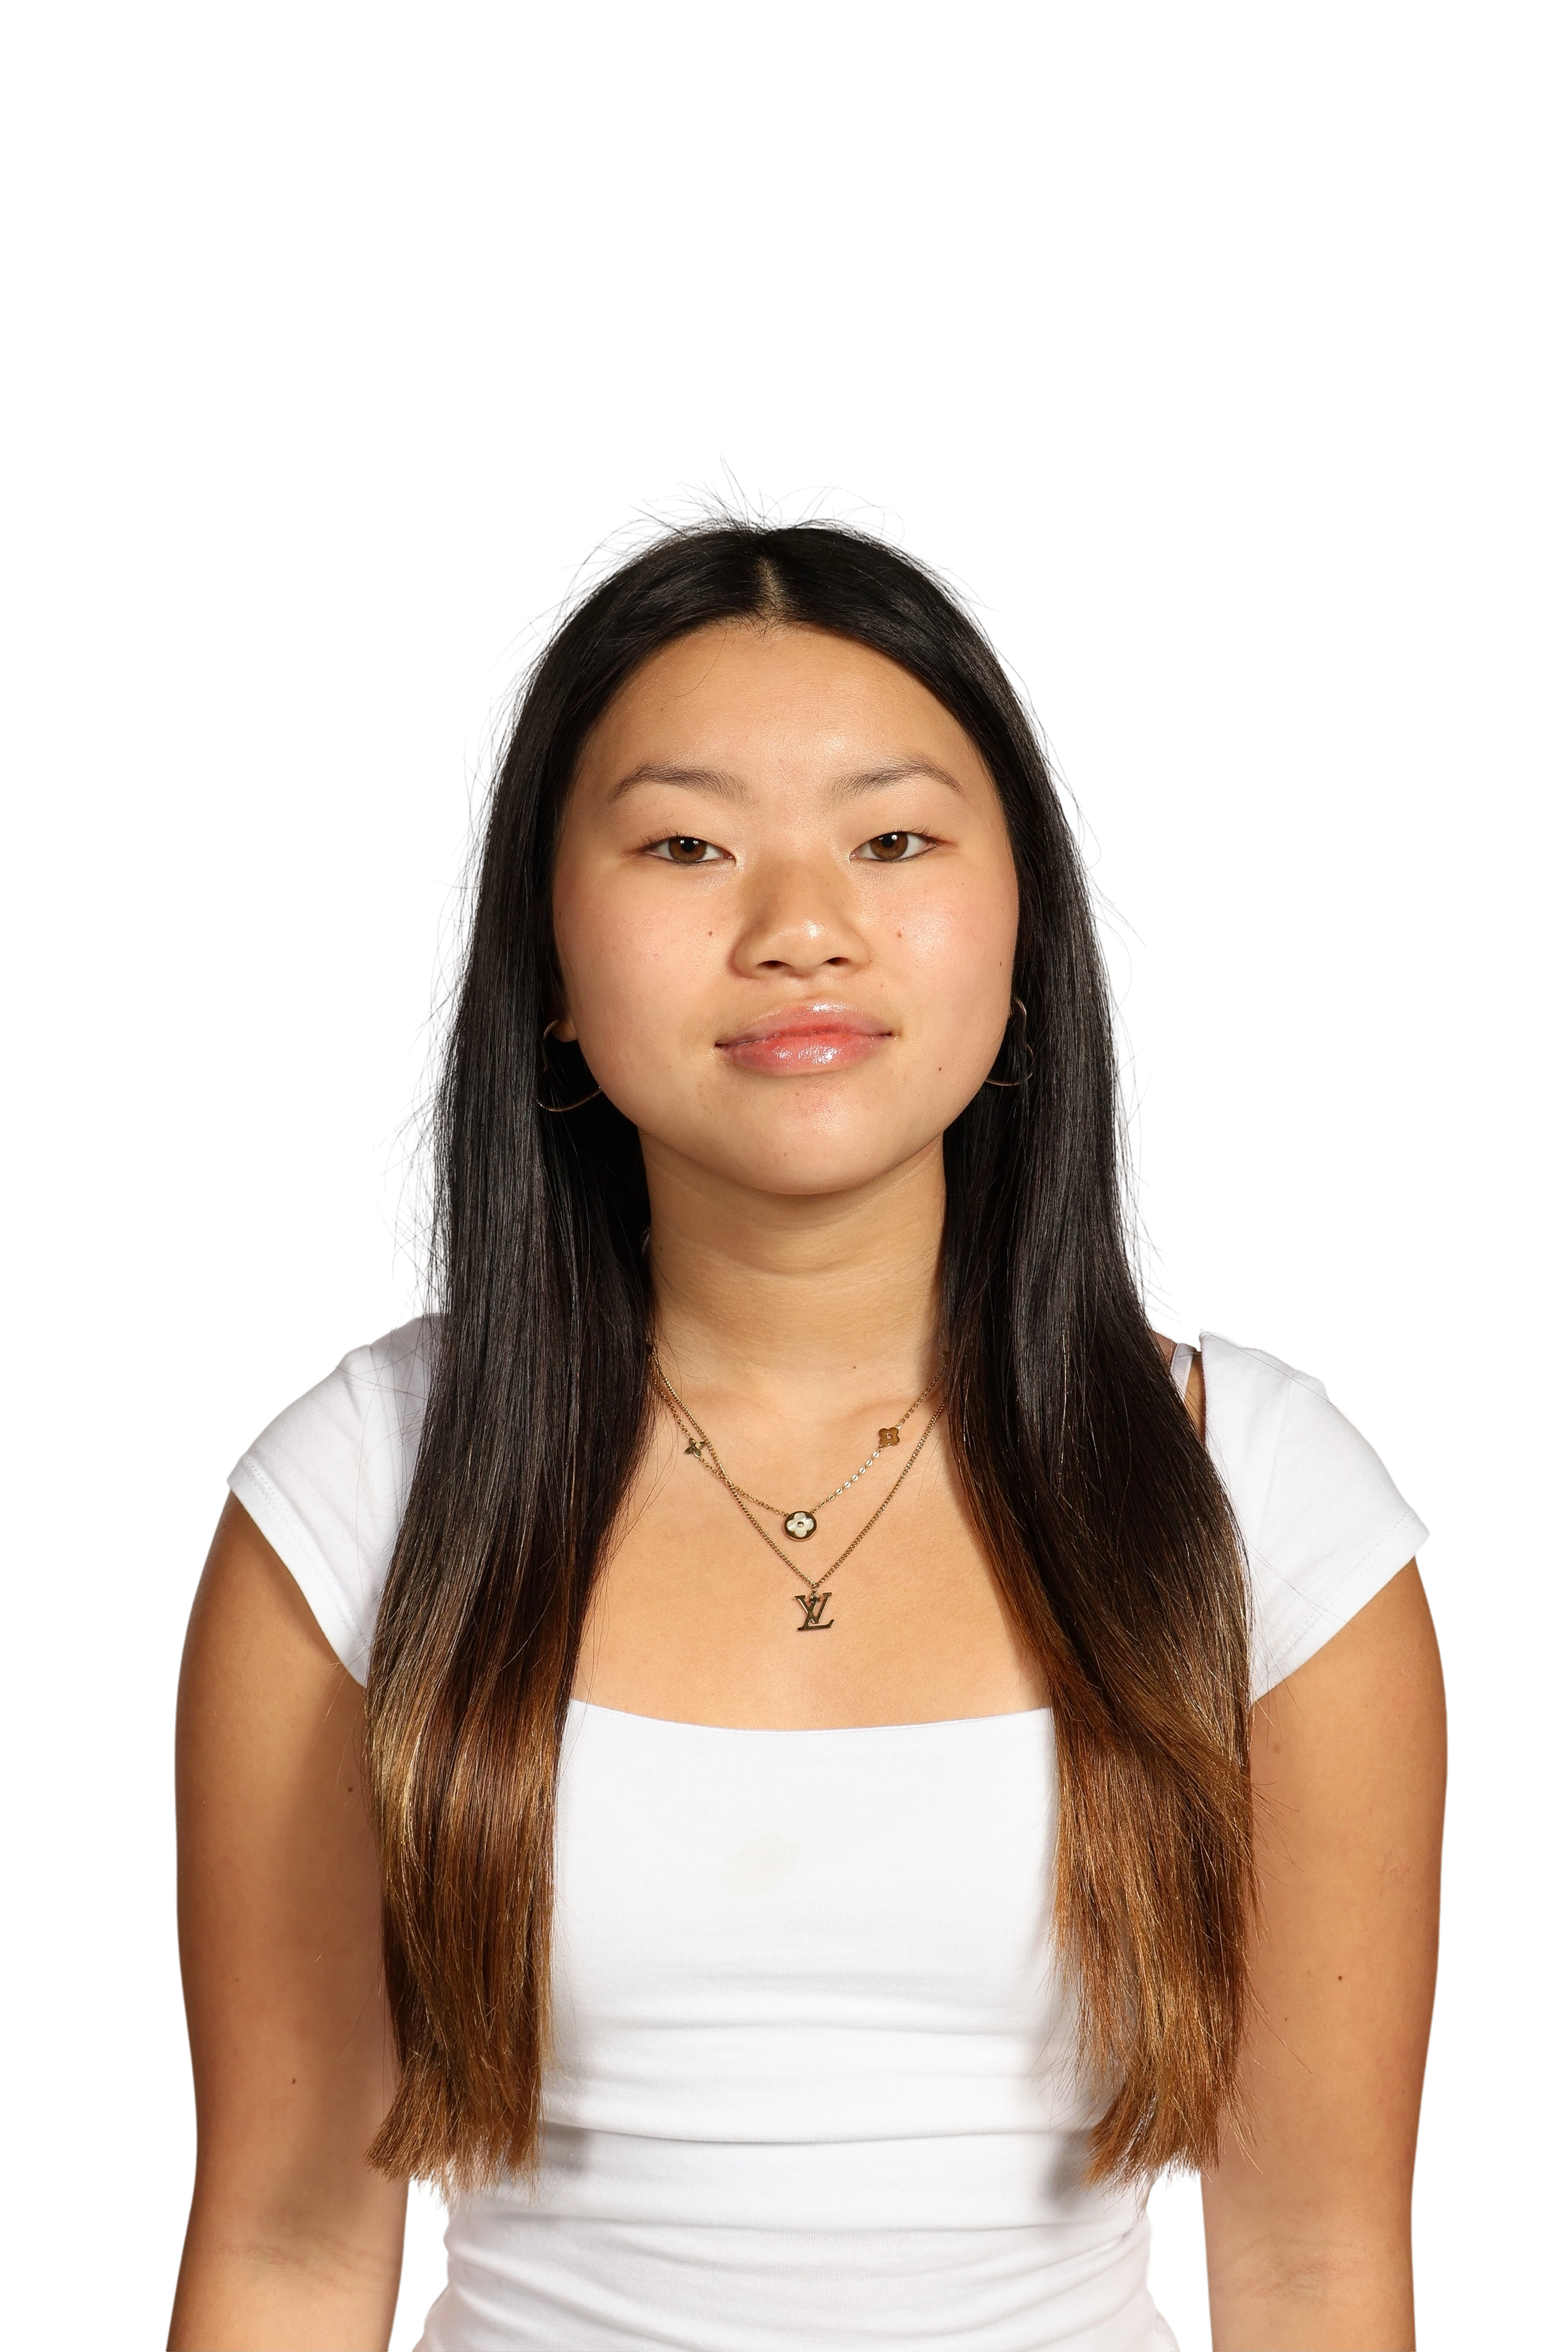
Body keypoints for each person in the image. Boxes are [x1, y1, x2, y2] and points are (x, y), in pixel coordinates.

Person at [168, 464, 1449, 2352]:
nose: (801, 929)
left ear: (1026, 924)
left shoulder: (1267, 1500)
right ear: (544, 956)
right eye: (687, 847)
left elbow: (1320, 2270)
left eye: (895, 841)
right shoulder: (354, 1497)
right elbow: (286, 2251)